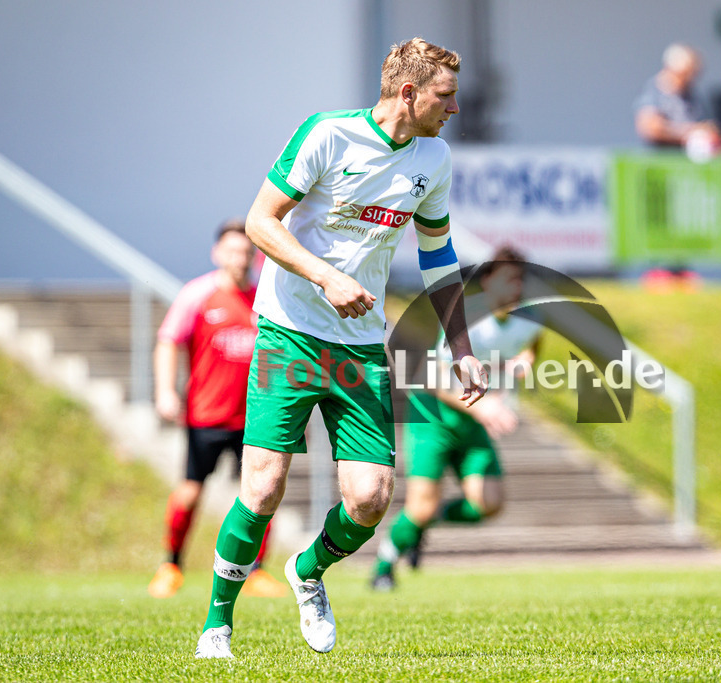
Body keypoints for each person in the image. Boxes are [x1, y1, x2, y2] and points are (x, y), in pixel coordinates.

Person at [194, 37, 487, 659]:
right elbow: (260, 221)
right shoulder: (327, 134)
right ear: (408, 92)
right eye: (445, 96)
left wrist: (460, 344)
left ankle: (307, 570)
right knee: (262, 487)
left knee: (371, 498)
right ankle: (216, 626)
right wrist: (325, 276)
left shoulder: (433, 157)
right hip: (288, 332)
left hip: (359, 346)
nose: (454, 108)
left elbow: (438, 255)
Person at [371, 246, 542, 590]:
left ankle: (422, 524)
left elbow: (531, 345)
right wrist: (486, 407)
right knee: (419, 507)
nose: (517, 286)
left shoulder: (528, 320)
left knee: (489, 504)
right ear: (487, 281)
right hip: (433, 418)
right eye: (508, 278)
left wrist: (524, 362)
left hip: (470, 420)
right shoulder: (468, 317)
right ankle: (383, 567)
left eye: (520, 279)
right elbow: (431, 376)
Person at [147, 220, 286, 600]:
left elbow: (278, 353)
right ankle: (171, 565)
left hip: (255, 418)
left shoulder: (267, 298)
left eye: (246, 251)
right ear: (217, 253)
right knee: (191, 492)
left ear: (255, 256)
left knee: (263, 491)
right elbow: (168, 340)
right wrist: (165, 391)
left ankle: (257, 571)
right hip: (207, 415)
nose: (240, 258)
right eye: (233, 250)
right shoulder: (198, 295)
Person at [634, 43, 721, 160]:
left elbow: (708, 125)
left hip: (690, 161)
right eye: (685, 74)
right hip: (661, 161)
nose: (689, 78)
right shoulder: (654, 93)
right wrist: (690, 132)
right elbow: (650, 129)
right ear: (671, 69)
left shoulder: (691, 95)